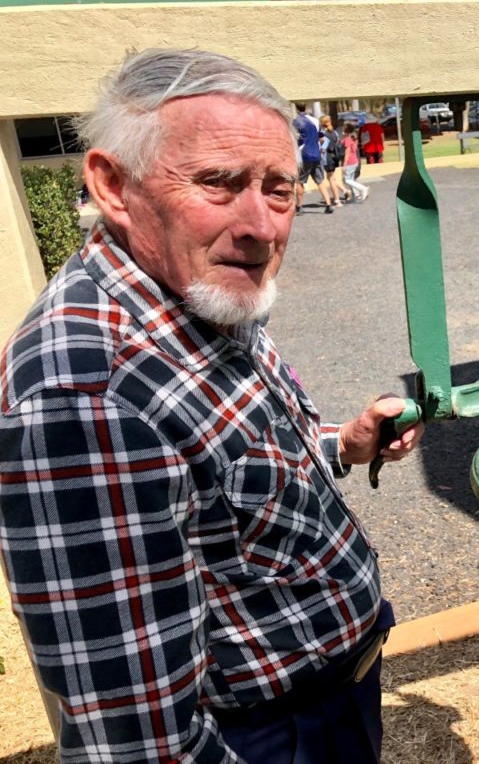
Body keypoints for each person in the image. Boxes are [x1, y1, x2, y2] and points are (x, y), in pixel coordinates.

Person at [0, 48, 423, 763]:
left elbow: (224, 475)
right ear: (111, 184)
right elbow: (136, 743)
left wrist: (339, 445)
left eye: (280, 189)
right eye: (219, 184)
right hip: (270, 737)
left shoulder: (191, 292)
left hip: (329, 702)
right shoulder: (85, 397)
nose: (261, 225)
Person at [293, 102, 335, 213]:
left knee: (299, 181)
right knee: (320, 180)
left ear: (296, 108)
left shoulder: (295, 122)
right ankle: (328, 204)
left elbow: (296, 139)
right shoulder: (315, 120)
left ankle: (299, 207)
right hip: (316, 154)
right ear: (305, 107)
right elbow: (322, 138)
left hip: (304, 155)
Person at [319, 113, 348, 205]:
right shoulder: (334, 133)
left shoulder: (323, 134)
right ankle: (344, 191)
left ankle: (337, 200)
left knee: (330, 178)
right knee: (331, 177)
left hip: (327, 158)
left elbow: (323, 148)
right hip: (335, 157)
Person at [341, 122, 370, 203]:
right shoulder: (352, 138)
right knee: (351, 180)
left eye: (344, 127)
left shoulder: (347, 140)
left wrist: (344, 165)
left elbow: (347, 153)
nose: (342, 128)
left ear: (346, 129)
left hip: (350, 162)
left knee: (346, 180)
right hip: (355, 161)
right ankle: (354, 198)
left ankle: (363, 189)